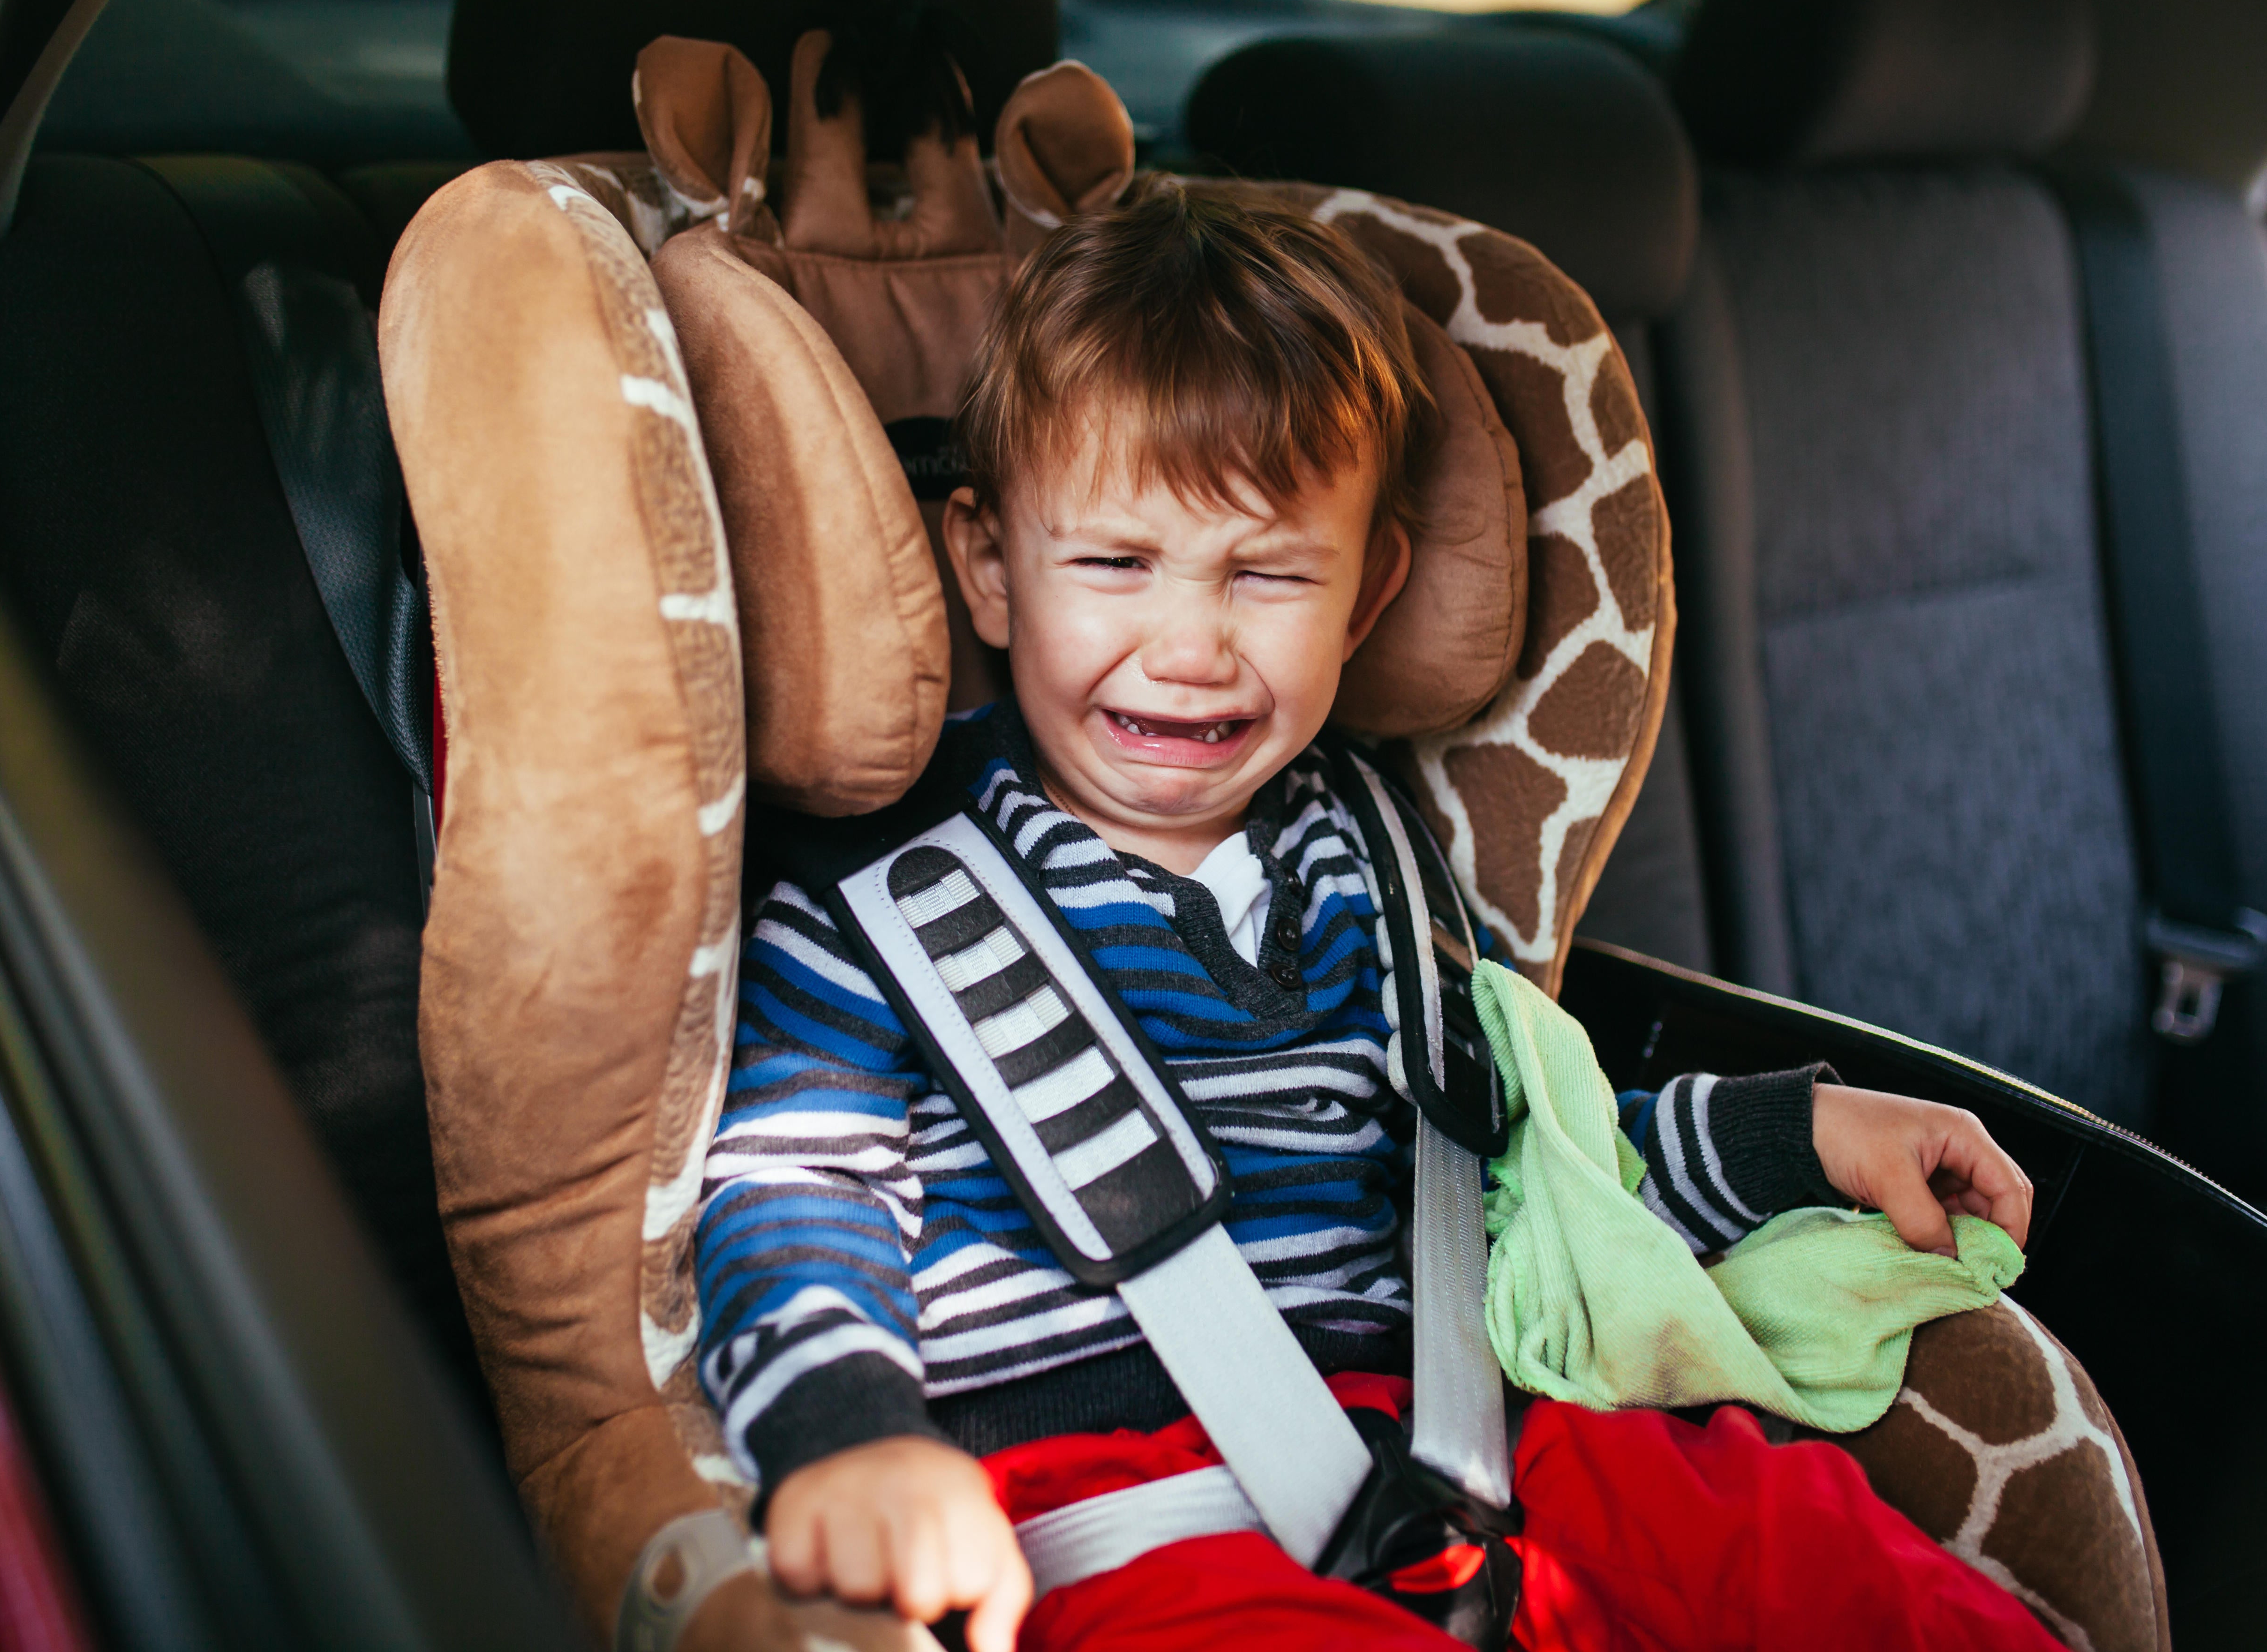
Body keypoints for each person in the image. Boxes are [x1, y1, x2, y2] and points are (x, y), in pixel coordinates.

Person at [693, 180, 2044, 1652]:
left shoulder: (1375, 863)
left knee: (1819, 1559)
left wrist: (1802, 1137)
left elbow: (1532, 1179)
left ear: (1369, 592)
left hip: (1471, 1462)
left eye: (1268, 575)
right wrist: (852, 1439)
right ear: (989, 568)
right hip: (1114, 1519)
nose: (1193, 648)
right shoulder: (880, 897)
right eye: (1114, 564)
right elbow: (794, 1200)